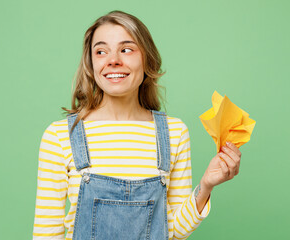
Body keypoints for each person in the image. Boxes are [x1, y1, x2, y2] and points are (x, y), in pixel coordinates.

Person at [32, 10, 242, 240]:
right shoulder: (60, 136)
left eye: (126, 49)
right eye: (101, 51)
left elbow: (172, 231)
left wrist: (206, 185)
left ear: (147, 59)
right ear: (91, 65)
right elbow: (46, 233)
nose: (113, 60)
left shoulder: (174, 133)